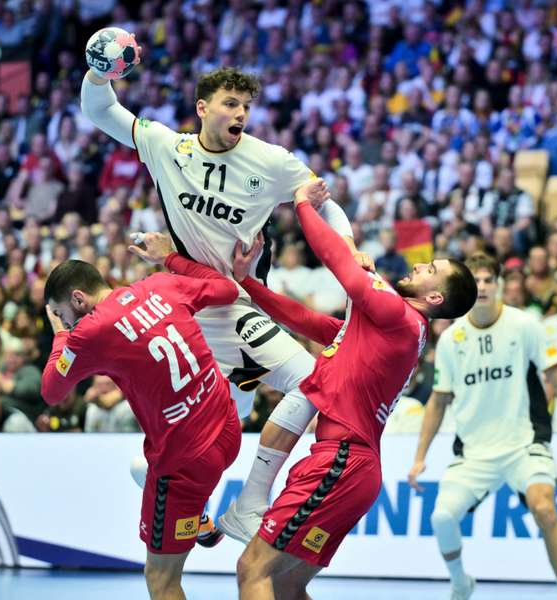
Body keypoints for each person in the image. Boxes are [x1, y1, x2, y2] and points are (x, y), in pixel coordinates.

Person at [80, 31, 369, 542]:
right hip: (189, 307)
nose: (240, 114)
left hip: (236, 303)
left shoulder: (271, 160)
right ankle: (201, 506)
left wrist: (348, 247)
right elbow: (103, 113)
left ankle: (243, 504)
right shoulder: (168, 146)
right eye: (230, 103)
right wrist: (101, 75)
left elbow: (323, 200)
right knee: (222, 432)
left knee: (309, 384)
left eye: (246, 106)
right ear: (202, 107)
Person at [164, 183, 473, 599]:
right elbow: (310, 322)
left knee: (253, 569)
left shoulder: (398, 315)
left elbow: (337, 261)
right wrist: (249, 286)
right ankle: (252, 502)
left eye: (429, 270)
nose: (418, 267)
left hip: (340, 462)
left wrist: (304, 203)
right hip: (355, 469)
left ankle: (250, 502)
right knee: (286, 586)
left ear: (434, 296)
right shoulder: (391, 328)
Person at [39, 254, 242, 600]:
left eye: (62, 313)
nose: (65, 321)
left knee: (160, 579)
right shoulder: (160, 284)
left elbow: (51, 391)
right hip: (227, 426)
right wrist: (172, 258)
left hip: (185, 465)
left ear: (78, 299)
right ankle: (199, 517)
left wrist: (60, 335)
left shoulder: (89, 332)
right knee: (142, 468)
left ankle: (196, 512)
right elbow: (227, 289)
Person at [408, 253, 557, 600]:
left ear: (500, 284)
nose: (485, 286)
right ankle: (461, 582)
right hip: (474, 453)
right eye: (478, 281)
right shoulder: (451, 339)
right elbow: (438, 401)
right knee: (442, 518)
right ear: (467, 287)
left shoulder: (525, 325)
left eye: (491, 280)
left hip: (525, 445)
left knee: (545, 508)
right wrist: (419, 457)